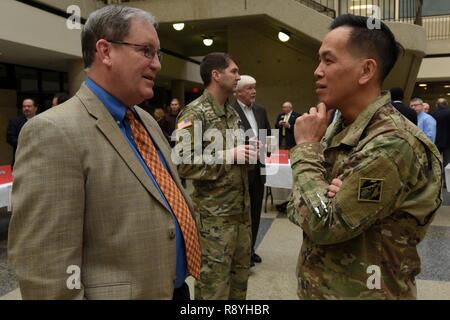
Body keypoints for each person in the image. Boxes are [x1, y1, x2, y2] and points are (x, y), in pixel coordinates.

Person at [8, 5, 200, 300]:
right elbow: (47, 271)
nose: (157, 64)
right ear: (105, 51)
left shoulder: (144, 120)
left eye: (157, 54)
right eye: (146, 51)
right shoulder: (52, 131)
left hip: (174, 290)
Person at [287, 14, 442, 299]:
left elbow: (321, 223)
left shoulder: (393, 143)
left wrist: (307, 150)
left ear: (366, 70)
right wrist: (319, 196)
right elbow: (300, 207)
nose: (317, 71)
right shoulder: (340, 128)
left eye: (328, 60)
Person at [175, 52, 255, 300]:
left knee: (238, 284)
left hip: (240, 214)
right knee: (213, 287)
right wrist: (228, 155)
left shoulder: (231, 112)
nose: (238, 76)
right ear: (216, 75)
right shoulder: (193, 113)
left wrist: (249, 155)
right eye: (234, 71)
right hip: (214, 221)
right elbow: (183, 163)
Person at [232, 75, 271, 267]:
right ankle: (240, 253)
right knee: (241, 213)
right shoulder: (230, 110)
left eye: (254, 88)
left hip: (259, 169)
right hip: (241, 170)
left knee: (255, 211)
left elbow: (267, 135)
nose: (253, 91)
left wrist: (267, 150)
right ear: (238, 92)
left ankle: (251, 249)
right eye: (249, 88)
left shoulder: (261, 110)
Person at [6, 98, 38, 166]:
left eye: (29, 106)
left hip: (39, 158)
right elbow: (10, 138)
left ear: (35, 108)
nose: (26, 108)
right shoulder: (15, 121)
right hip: (21, 160)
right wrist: (25, 144)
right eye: (24, 106)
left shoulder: (42, 120)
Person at [431, 98, 450, 181]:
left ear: (436, 105)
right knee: (447, 161)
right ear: (446, 104)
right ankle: (447, 181)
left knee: (436, 162)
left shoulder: (432, 114)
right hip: (448, 141)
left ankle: (436, 180)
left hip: (436, 141)